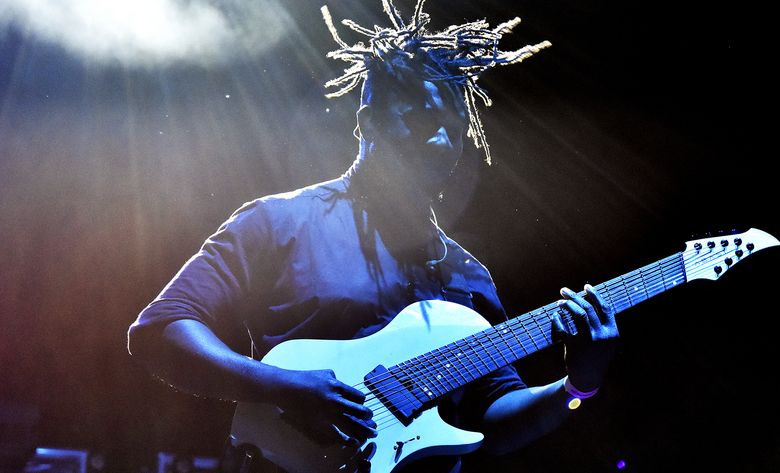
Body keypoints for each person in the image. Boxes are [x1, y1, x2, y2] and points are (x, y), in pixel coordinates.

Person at [127, 2, 620, 472]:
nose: (444, 142)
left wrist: (579, 385)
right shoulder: (279, 222)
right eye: (424, 121)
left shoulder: (467, 276)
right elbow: (161, 328)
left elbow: (496, 423)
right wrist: (280, 386)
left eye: (455, 127)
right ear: (368, 124)